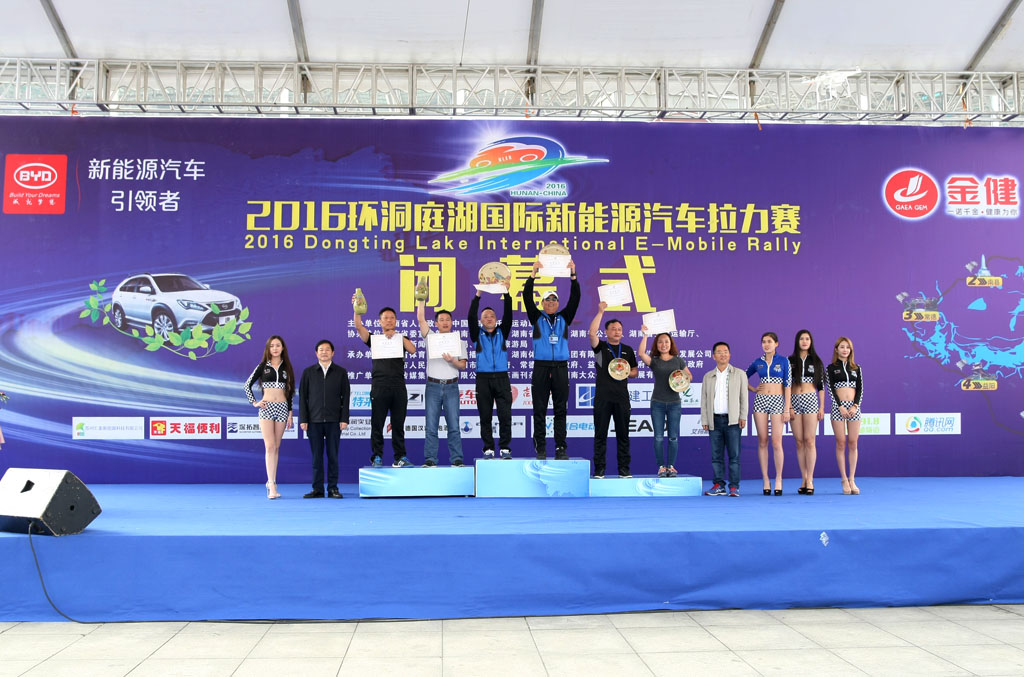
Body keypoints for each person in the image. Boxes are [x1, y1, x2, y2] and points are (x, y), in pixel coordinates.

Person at [523, 259, 580, 459]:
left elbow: (575, 298)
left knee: (560, 410)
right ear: (543, 303)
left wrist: (573, 275)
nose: (551, 303)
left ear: (557, 303)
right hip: (541, 367)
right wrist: (533, 274)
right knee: (539, 409)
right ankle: (540, 448)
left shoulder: (565, 317)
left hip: (560, 368)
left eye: (554, 300)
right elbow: (526, 297)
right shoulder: (536, 317)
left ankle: (560, 448)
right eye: (547, 300)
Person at [354, 299, 417, 467]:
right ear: (380, 321)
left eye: (392, 318)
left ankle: (400, 457)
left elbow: (413, 350)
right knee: (377, 423)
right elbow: (359, 327)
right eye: (385, 318)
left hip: (398, 387)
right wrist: (357, 309)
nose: (389, 320)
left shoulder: (401, 338)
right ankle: (377, 456)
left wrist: (398, 336)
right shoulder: (374, 339)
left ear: (396, 321)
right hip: (379, 387)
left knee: (398, 424)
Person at [588, 302, 638, 478]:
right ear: (607, 332)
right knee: (600, 435)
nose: (617, 332)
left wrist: (625, 371)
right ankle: (599, 470)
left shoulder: (627, 350)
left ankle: (624, 470)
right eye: (613, 329)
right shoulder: (601, 348)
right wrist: (600, 311)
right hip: (603, 398)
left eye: (619, 329)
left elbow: (634, 372)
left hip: (621, 398)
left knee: (623, 436)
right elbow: (591, 333)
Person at [244, 335, 296, 499]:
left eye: (278, 345)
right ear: (268, 348)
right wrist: (255, 402)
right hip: (266, 408)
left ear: (282, 348)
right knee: (269, 446)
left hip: (282, 408)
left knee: (276, 446)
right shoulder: (262, 366)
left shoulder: (287, 367)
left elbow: (290, 391)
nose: (275, 348)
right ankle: (271, 484)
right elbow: (247, 385)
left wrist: (290, 413)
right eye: (272, 346)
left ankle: (272, 481)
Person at [298, 340, 350, 499]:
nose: (324, 352)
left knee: (333, 456)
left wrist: (344, 418)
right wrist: (303, 419)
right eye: (321, 349)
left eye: (327, 349)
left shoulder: (341, 372)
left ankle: (333, 488)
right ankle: (317, 489)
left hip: (334, 420)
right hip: (314, 421)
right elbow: (303, 398)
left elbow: (346, 397)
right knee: (316, 457)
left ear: (333, 353)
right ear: (316, 353)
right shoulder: (308, 372)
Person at [417, 301, 467, 467]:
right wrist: (421, 300)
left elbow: (463, 365)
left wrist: (452, 360)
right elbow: (421, 319)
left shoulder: (459, 342)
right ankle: (430, 459)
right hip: (433, 386)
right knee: (431, 426)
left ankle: (457, 459)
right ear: (436, 323)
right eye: (441, 320)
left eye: (448, 319)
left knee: (454, 426)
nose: (445, 322)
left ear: (451, 322)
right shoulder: (430, 338)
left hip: (452, 387)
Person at [468, 282, 514, 459]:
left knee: (505, 416)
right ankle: (488, 448)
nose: (489, 318)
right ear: (481, 320)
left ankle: (505, 448)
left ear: (496, 319)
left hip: (502, 378)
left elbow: (508, 313)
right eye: (485, 316)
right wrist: (478, 294)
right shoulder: (476, 334)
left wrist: (506, 293)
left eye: (492, 316)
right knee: (485, 416)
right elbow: (470, 316)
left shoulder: (503, 332)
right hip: (483, 379)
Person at [639, 327, 692, 478]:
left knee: (673, 437)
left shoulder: (678, 360)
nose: (664, 344)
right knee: (658, 437)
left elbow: (689, 376)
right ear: (657, 345)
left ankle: (671, 466)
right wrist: (645, 335)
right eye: (660, 342)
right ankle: (661, 467)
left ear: (671, 344)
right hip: (657, 403)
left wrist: (681, 378)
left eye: (666, 342)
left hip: (675, 403)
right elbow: (641, 353)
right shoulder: (654, 361)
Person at [746, 332, 792, 495]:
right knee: (762, 440)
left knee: (776, 441)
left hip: (778, 401)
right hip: (760, 401)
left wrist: (787, 408)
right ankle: (765, 479)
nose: (766, 344)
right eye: (764, 342)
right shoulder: (757, 362)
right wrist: (753, 389)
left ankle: (778, 478)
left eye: (770, 341)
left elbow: (788, 385)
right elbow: (742, 377)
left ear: (776, 344)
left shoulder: (784, 361)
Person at [701, 342, 747, 497]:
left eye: (725, 351)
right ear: (714, 356)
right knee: (716, 456)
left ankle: (734, 487)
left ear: (730, 354)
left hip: (733, 421)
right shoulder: (708, 376)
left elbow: (743, 397)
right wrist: (705, 419)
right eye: (719, 352)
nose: (723, 354)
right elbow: (704, 399)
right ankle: (719, 485)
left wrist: (743, 416)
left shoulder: (739, 374)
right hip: (714, 420)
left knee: (734, 456)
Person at [789, 330, 826, 495]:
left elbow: (821, 387)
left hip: (811, 400)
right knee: (799, 441)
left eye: (807, 339)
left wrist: (822, 407)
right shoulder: (790, 361)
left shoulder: (816, 361)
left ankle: (810, 479)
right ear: (797, 341)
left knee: (810, 440)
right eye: (802, 339)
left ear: (811, 341)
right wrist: (789, 406)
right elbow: (786, 385)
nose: (804, 341)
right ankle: (803, 478)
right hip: (794, 401)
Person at [827, 336, 864, 495]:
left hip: (854, 408)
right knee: (841, 443)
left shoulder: (856, 368)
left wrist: (855, 406)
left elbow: (860, 389)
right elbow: (830, 389)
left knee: (853, 443)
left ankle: (852, 479)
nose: (845, 350)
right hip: (838, 408)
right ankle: (843, 479)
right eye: (842, 347)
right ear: (836, 349)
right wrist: (840, 406)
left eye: (847, 347)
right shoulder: (831, 368)